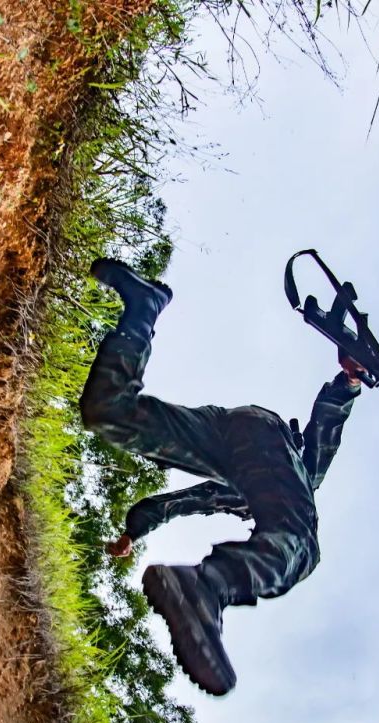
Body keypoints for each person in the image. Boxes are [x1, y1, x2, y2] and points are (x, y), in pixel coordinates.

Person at [79, 258, 364, 697]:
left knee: (110, 413)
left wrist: (133, 530)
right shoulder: (301, 482)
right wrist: (347, 384)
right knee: (304, 547)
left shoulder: (237, 495)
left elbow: (181, 502)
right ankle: (207, 587)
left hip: (226, 435)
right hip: (265, 438)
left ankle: (143, 308)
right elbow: (324, 436)